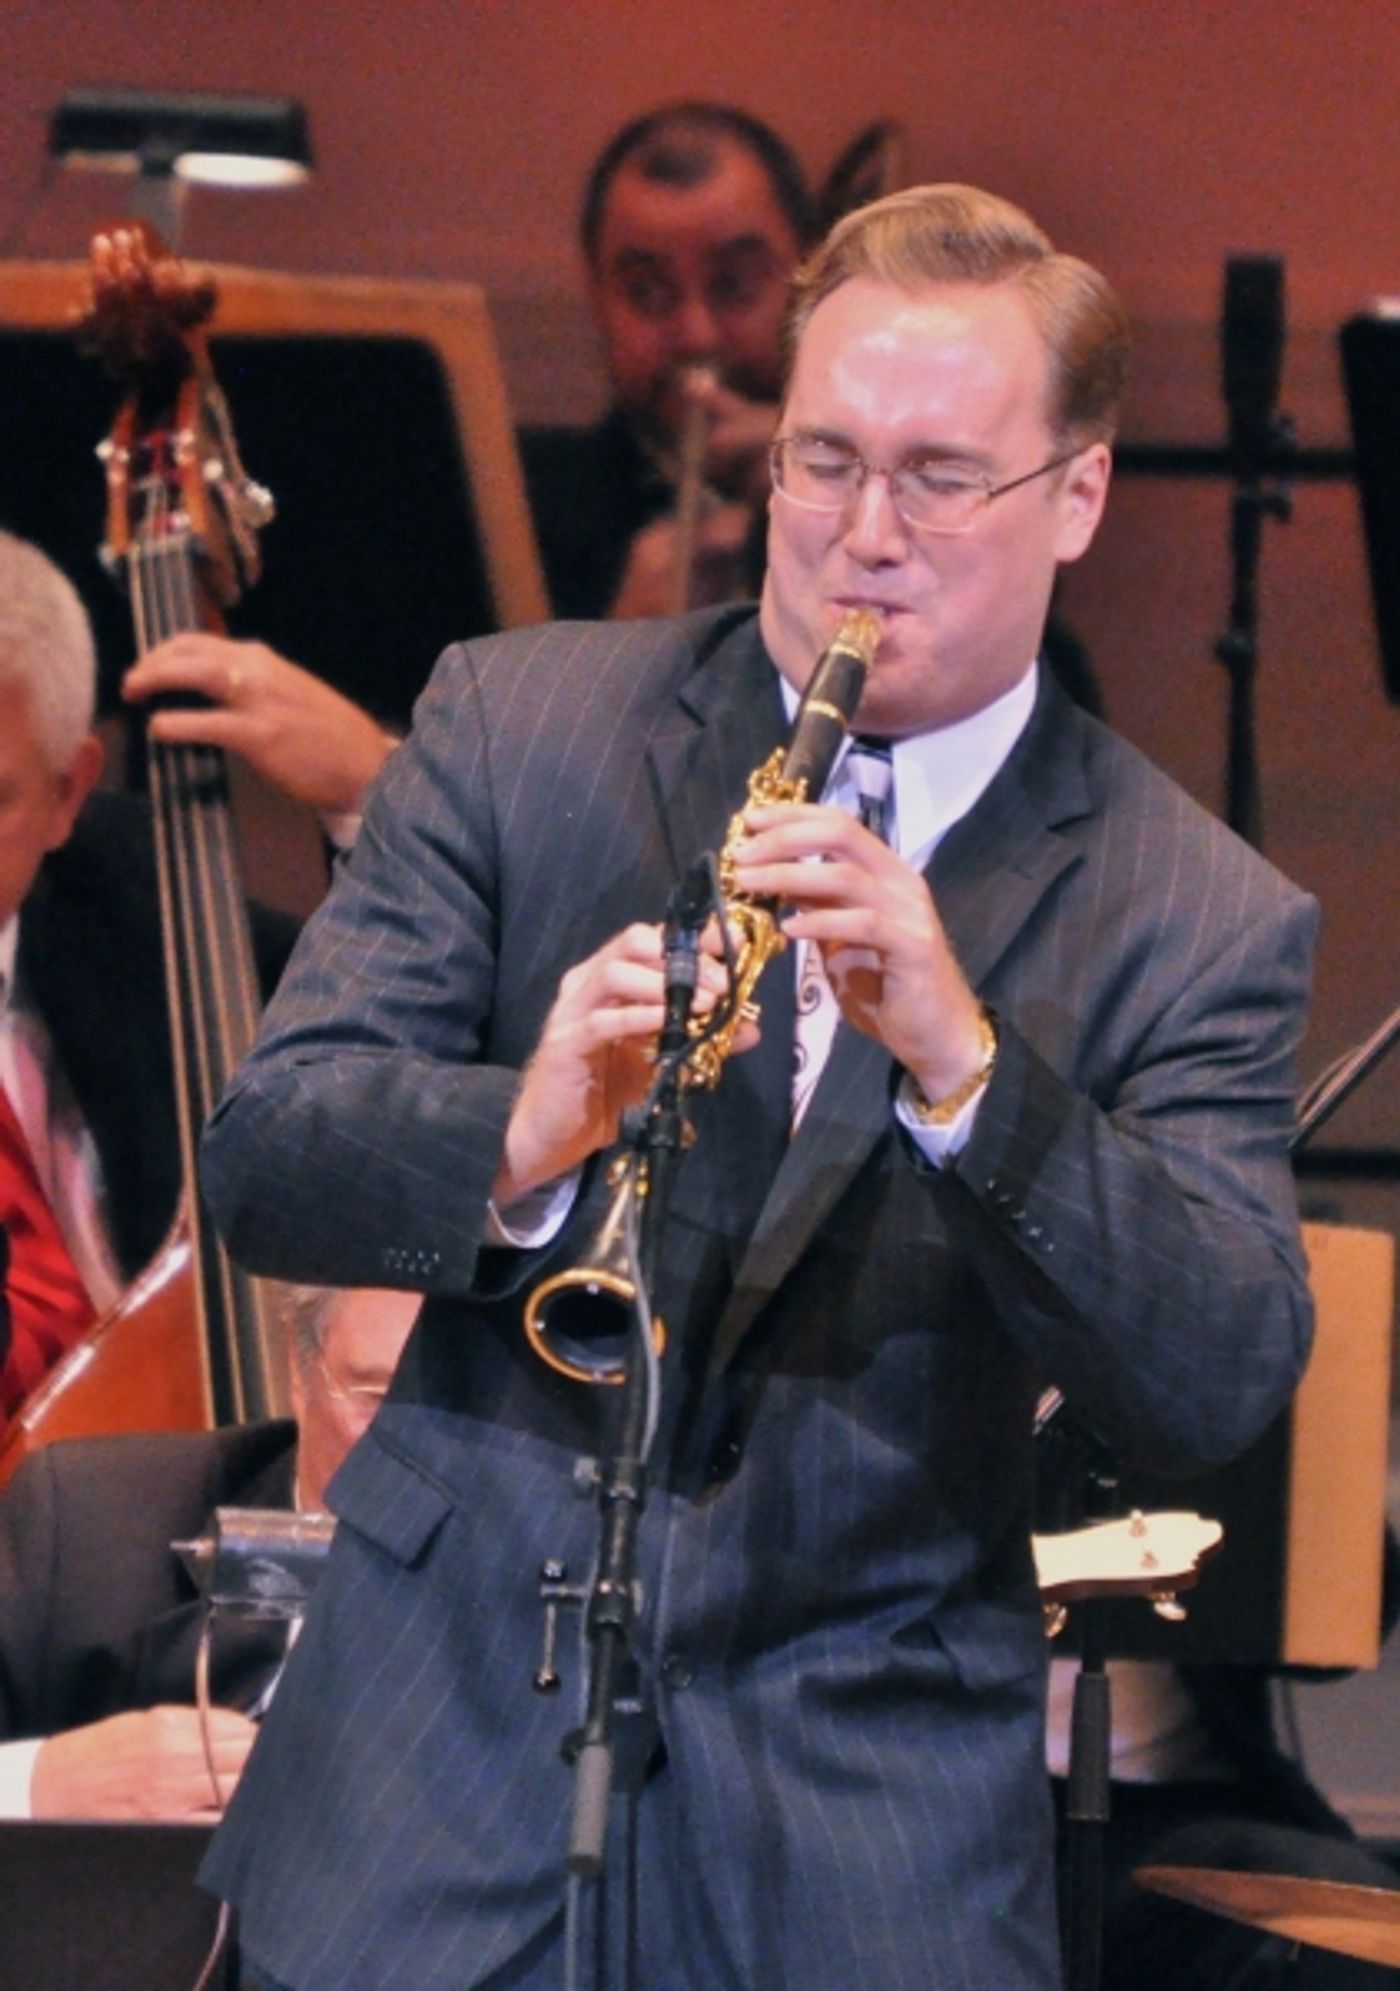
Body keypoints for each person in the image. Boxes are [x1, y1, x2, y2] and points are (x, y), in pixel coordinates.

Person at [198, 183, 1318, 1989]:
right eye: (824, 462)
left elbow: (1218, 1372)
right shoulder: (517, 727)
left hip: (854, 1852)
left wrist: (966, 1072)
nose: (864, 536)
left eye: (941, 478)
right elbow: (267, 1157)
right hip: (428, 1795)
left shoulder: (1191, 909)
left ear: (1080, 497)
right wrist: (529, 1124)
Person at [0, 529, 394, 1410]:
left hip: (176, 1460)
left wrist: (373, 797)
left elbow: (384, 1044)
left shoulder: (129, 894)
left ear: (68, 793)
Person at [0, 1283, 419, 1824]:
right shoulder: (85, 1522)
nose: (426, 1454)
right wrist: (37, 1783)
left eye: (471, 1411)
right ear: (298, 1363)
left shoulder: (555, 1575)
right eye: (380, 1400)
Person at [520, 101, 818, 620]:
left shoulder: (901, 504)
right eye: (648, 293)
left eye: (736, 285)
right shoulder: (513, 513)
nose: (696, 336)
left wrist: (831, 484)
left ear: (810, 280)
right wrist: (611, 664)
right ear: (595, 296)